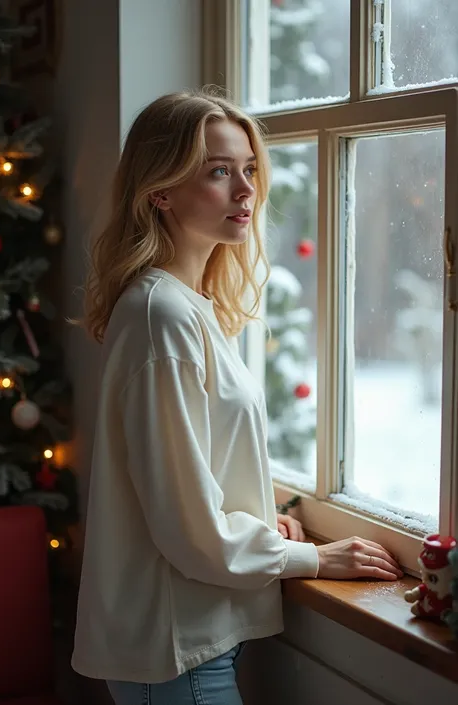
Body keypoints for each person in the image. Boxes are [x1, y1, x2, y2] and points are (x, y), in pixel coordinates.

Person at [71, 89, 403, 705]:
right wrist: (314, 561)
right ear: (159, 190)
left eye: (248, 169)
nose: (246, 189)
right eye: (219, 172)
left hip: (189, 649)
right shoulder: (159, 314)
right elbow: (186, 526)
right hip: (176, 656)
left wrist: (254, 512)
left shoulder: (183, 307)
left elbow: (193, 473)